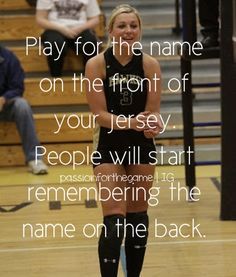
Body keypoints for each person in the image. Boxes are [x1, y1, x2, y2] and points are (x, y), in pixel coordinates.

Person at [85, 4, 163, 277]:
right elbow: (100, 115)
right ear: (110, 30)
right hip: (109, 144)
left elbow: (152, 112)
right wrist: (133, 122)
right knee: (115, 219)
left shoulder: (150, 64)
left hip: (141, 146)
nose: (128, 31)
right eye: (122, 26)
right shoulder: (96, 64)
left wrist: (154, 124)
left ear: (139, 30)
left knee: (138, 218)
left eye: (133, 26)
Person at [0, 45, 48, 175]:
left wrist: (4, 98)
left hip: (5, 106)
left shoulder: (9, 57)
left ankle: (35, 158)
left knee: (22, 105)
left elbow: (18, 87)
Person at [36, 0, 101, 77]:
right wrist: (63, 29)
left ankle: (90, 78)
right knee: (55, 44)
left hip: (80, 29)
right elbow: (40, 19)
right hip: (54, 29)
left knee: (90, 42)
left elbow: (95, 19)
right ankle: (56, 78)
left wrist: (78, 29)